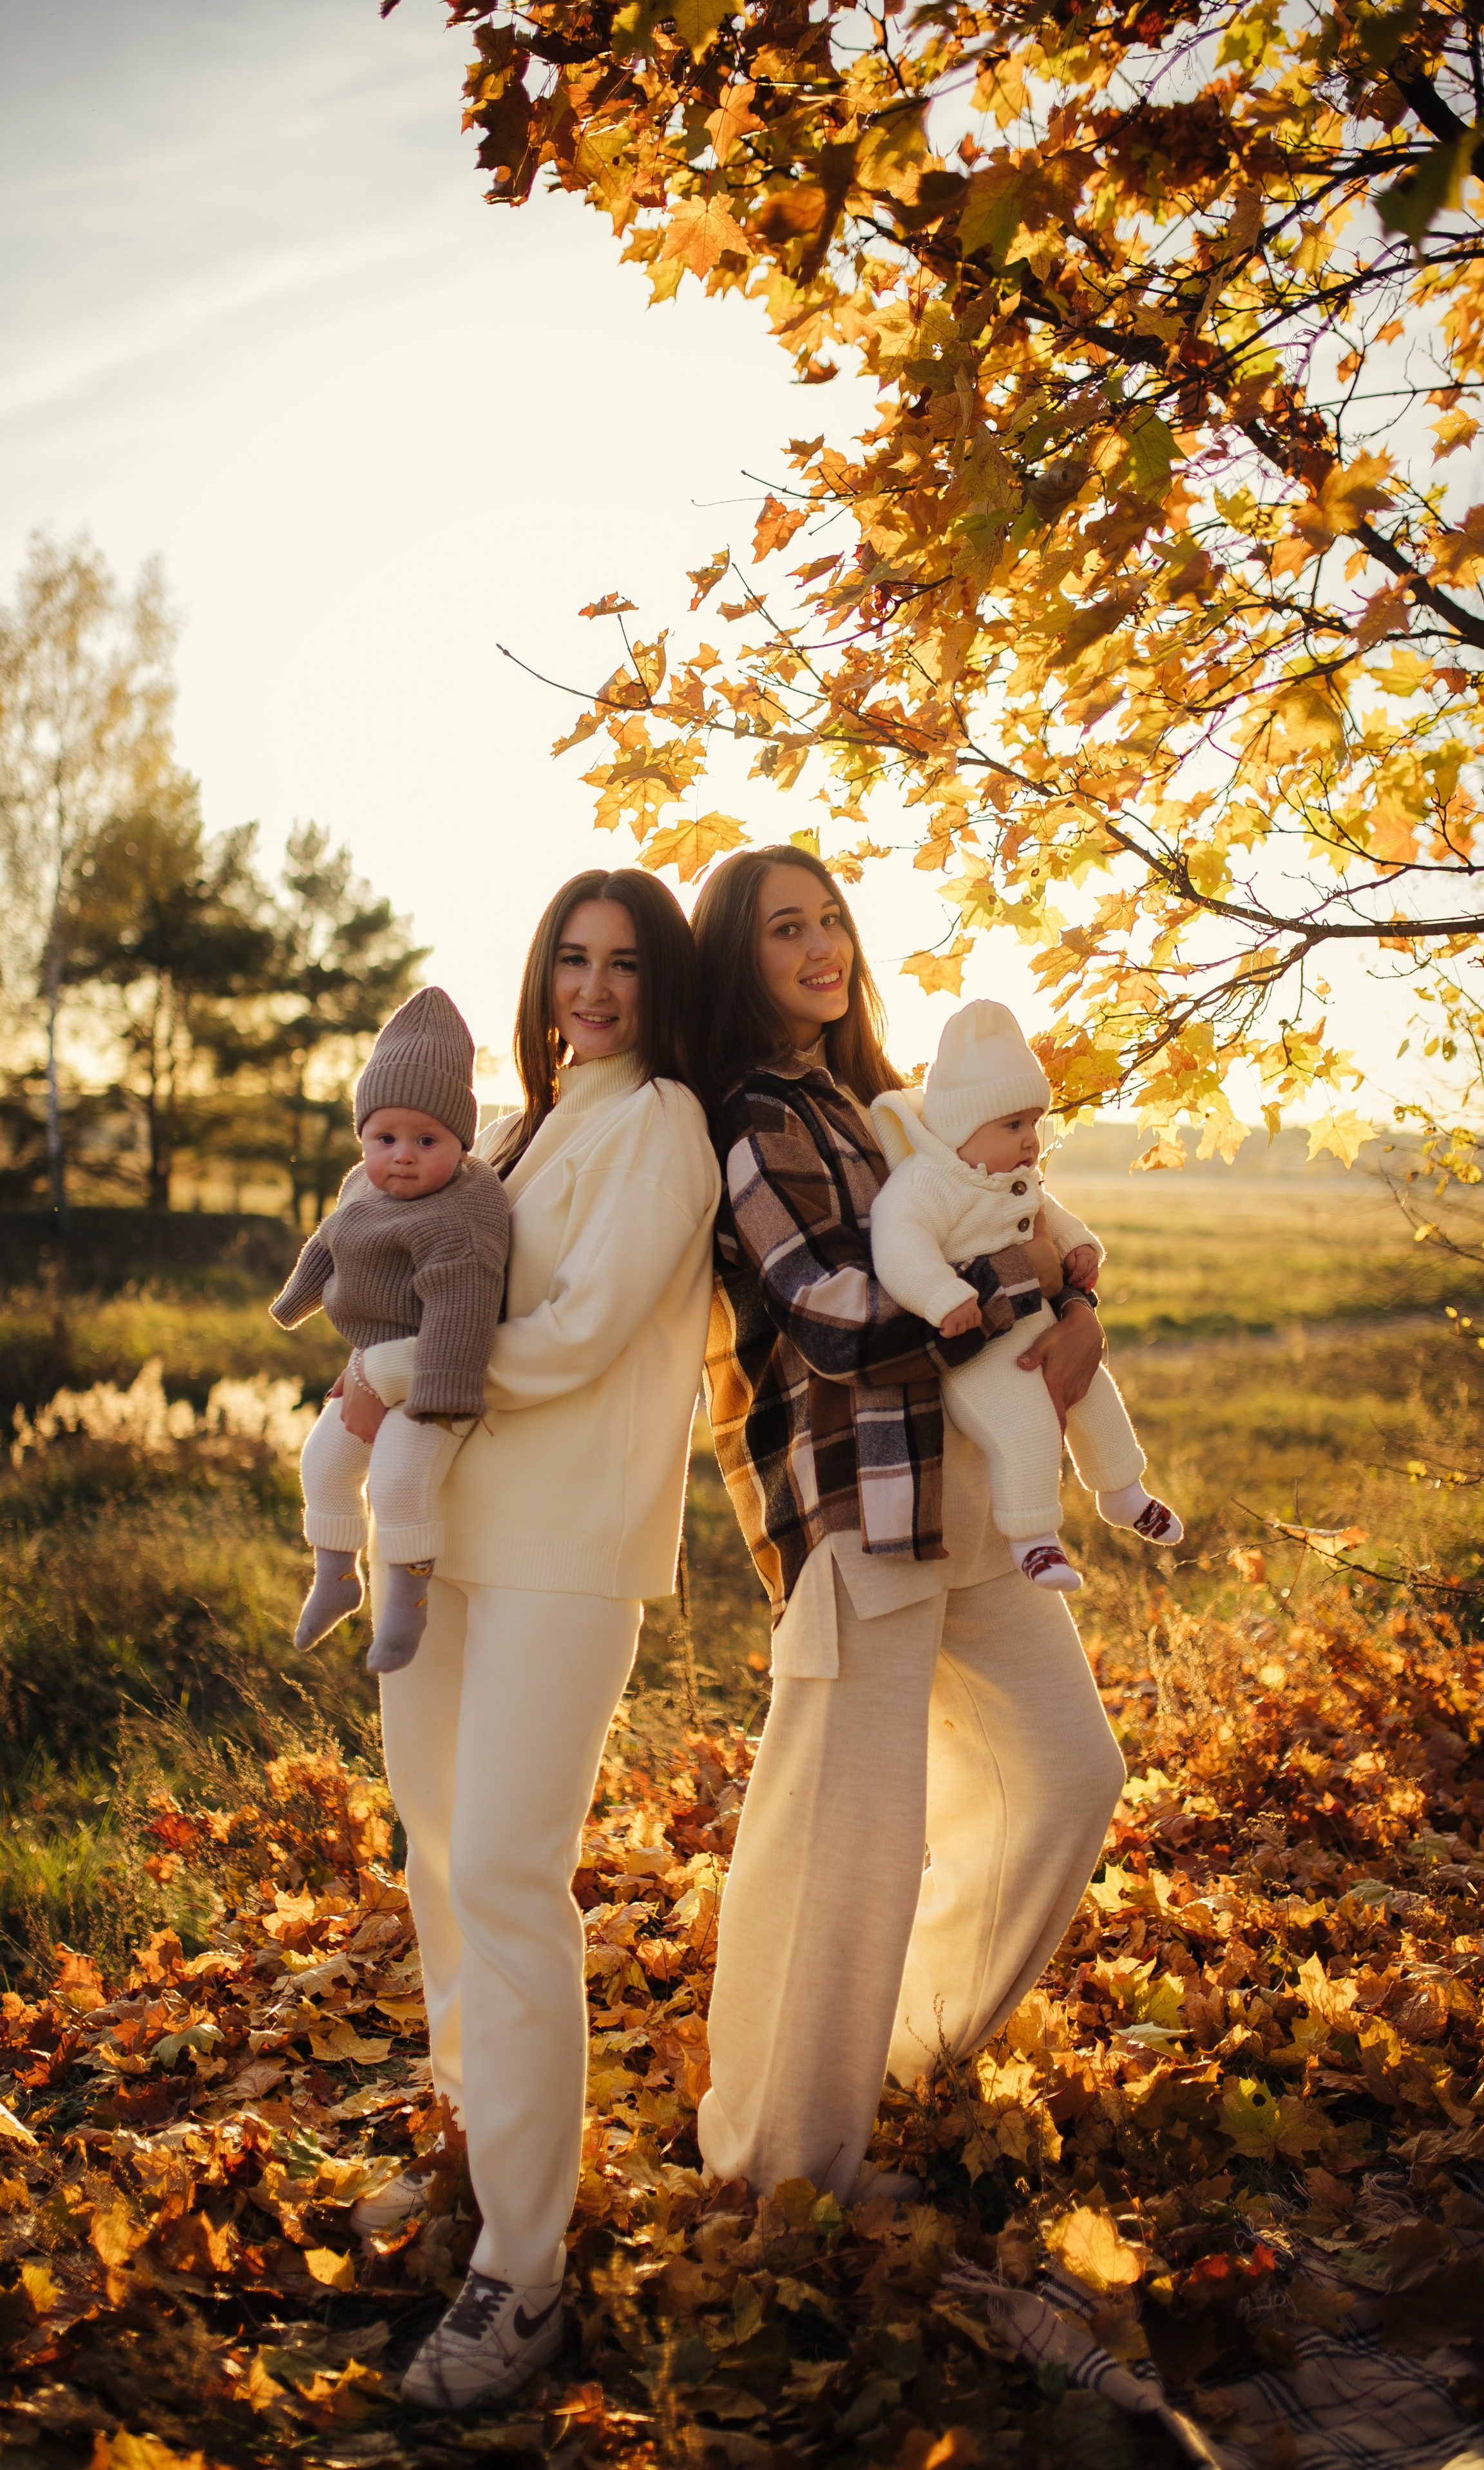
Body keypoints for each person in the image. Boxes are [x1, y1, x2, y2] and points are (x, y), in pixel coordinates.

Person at [689, 842, 1127, 2208]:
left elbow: (1013, 1227)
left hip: (962, 1498)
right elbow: (824, 1313)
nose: (820, 946)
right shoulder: (754, 1117)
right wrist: (1006, 1308)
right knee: (844, 1847)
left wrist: (1075, 1303)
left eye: (830, 921)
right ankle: (779, 2167)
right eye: (783, 930)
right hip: (852, 1506)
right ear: (735, 957)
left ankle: (907, 2045)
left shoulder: (880, 1107)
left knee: (1066, 1770)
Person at [337, 870, 718, 2411]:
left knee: (506, 1867)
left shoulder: (664, 1128)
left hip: (567, 1549)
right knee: (433, 1853)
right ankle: (468, 2145)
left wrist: (387, 1357)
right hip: (445, 1539)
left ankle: (528, 2271)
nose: (591, 985)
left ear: (658, 982)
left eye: (622, 962)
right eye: (570, 955)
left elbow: (568, 1338)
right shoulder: (517, 1126)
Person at [870, 997, 1182, 1592]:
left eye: (1034, 1123)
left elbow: (1051, 1212)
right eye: (1013, 1126)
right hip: (980, 1353)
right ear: (963, 1128)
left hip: (1038, 1326)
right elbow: (898, 1243)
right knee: (1027, 1426)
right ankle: (1033, 1538)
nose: (1030, 1140)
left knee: (1095, 1394)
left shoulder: (1014, 1178)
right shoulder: (926, 1183)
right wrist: (941, 1293)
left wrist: (1078, 1246)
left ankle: (1123, 1491)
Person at [269, 988, 510, 1670]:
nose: (401, 1156)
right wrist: (296, 1300)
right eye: (385, 1139)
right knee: (322, 1463)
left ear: (460, 1142)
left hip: (432, 1370)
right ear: (364, 1137)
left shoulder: (463, 1208)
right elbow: (329, 1242)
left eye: (425, 1141)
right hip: (370, 1359)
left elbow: (464, 1309)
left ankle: (406, 1606)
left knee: (401, 1479)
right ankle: (337, 1578)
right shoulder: (362, 1186)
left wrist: (431, 1392)